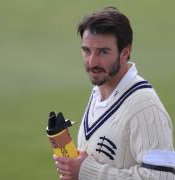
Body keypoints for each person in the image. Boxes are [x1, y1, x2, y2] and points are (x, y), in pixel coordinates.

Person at [54, 7, 175, 180]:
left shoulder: (146, 107)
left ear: (125, 53)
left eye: (103, 52)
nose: (92, 62)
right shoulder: (99, 90)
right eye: (87, 50)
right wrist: (74, 167)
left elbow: (163, 176)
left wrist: (87, 172)